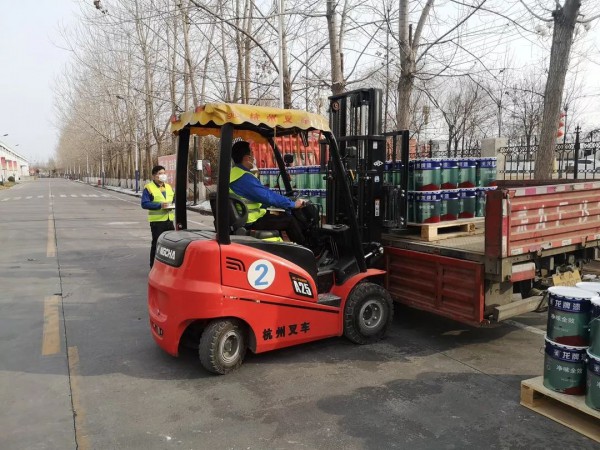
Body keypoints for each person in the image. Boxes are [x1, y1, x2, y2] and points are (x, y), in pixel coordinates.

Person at [230, 140, 307, 245]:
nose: (254, 157)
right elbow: (267, 196)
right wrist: (293, 204)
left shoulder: (233, 174)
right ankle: (307, 250)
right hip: (250, 221)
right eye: (252, 153)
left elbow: (260, 196)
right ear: (247, 158)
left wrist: (279, 202)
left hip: (242, 219)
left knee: (278, 216)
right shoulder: (244, 178)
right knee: (289, 220)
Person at [141, 165, 175, 267]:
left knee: (170, 245)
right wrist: (160, 205)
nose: (163, 175)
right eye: (160, 173)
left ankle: (167, 267)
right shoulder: (149, 188)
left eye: (164, 173)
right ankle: (153, 267)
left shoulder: (168, 187)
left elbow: (173, 200)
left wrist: (172, 205)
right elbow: (144, 204)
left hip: (169, 220)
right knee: (157, 244)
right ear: (154, 176)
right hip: (157, 222)